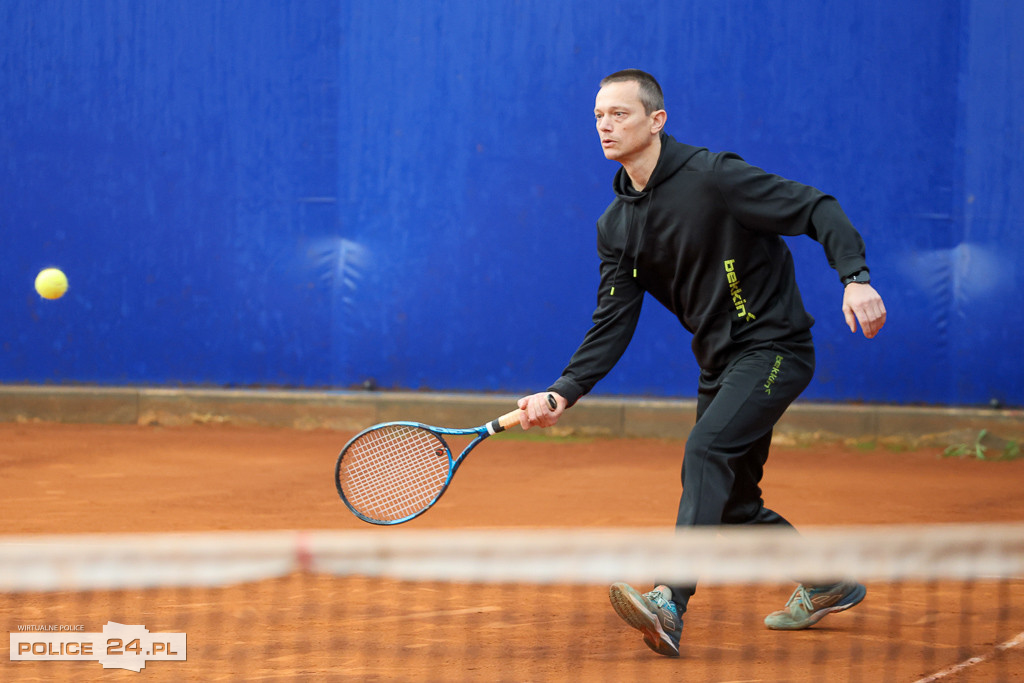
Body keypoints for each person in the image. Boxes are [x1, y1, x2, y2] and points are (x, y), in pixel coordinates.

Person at [516, 69, 887, 657]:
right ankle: (825, 581)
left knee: (705, 451)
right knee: (733, 504)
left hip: (775, 350)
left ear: (656, 120)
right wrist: (563, 391)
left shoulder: (715, 177)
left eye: (620, 114)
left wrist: (855, 278)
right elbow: (612, 321)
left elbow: (818, 208)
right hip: (720, 365)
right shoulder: (616, 226)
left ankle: (669, 600)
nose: (606, 126)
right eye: (598, 117)